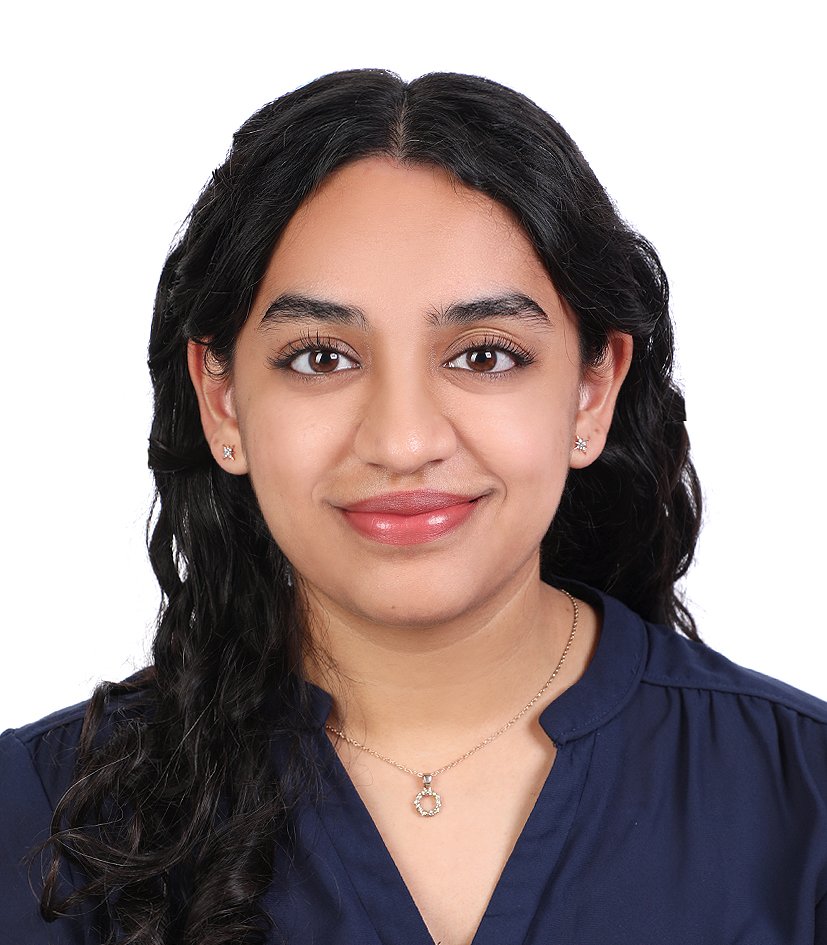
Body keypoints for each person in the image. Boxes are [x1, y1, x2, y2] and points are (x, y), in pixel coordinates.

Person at [1, 68, 825, 945]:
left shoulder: (803, 802)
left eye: (483, 355)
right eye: (320, 357)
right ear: (223, 401)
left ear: (591, 392)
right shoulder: (38, 819)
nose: (401, 441)